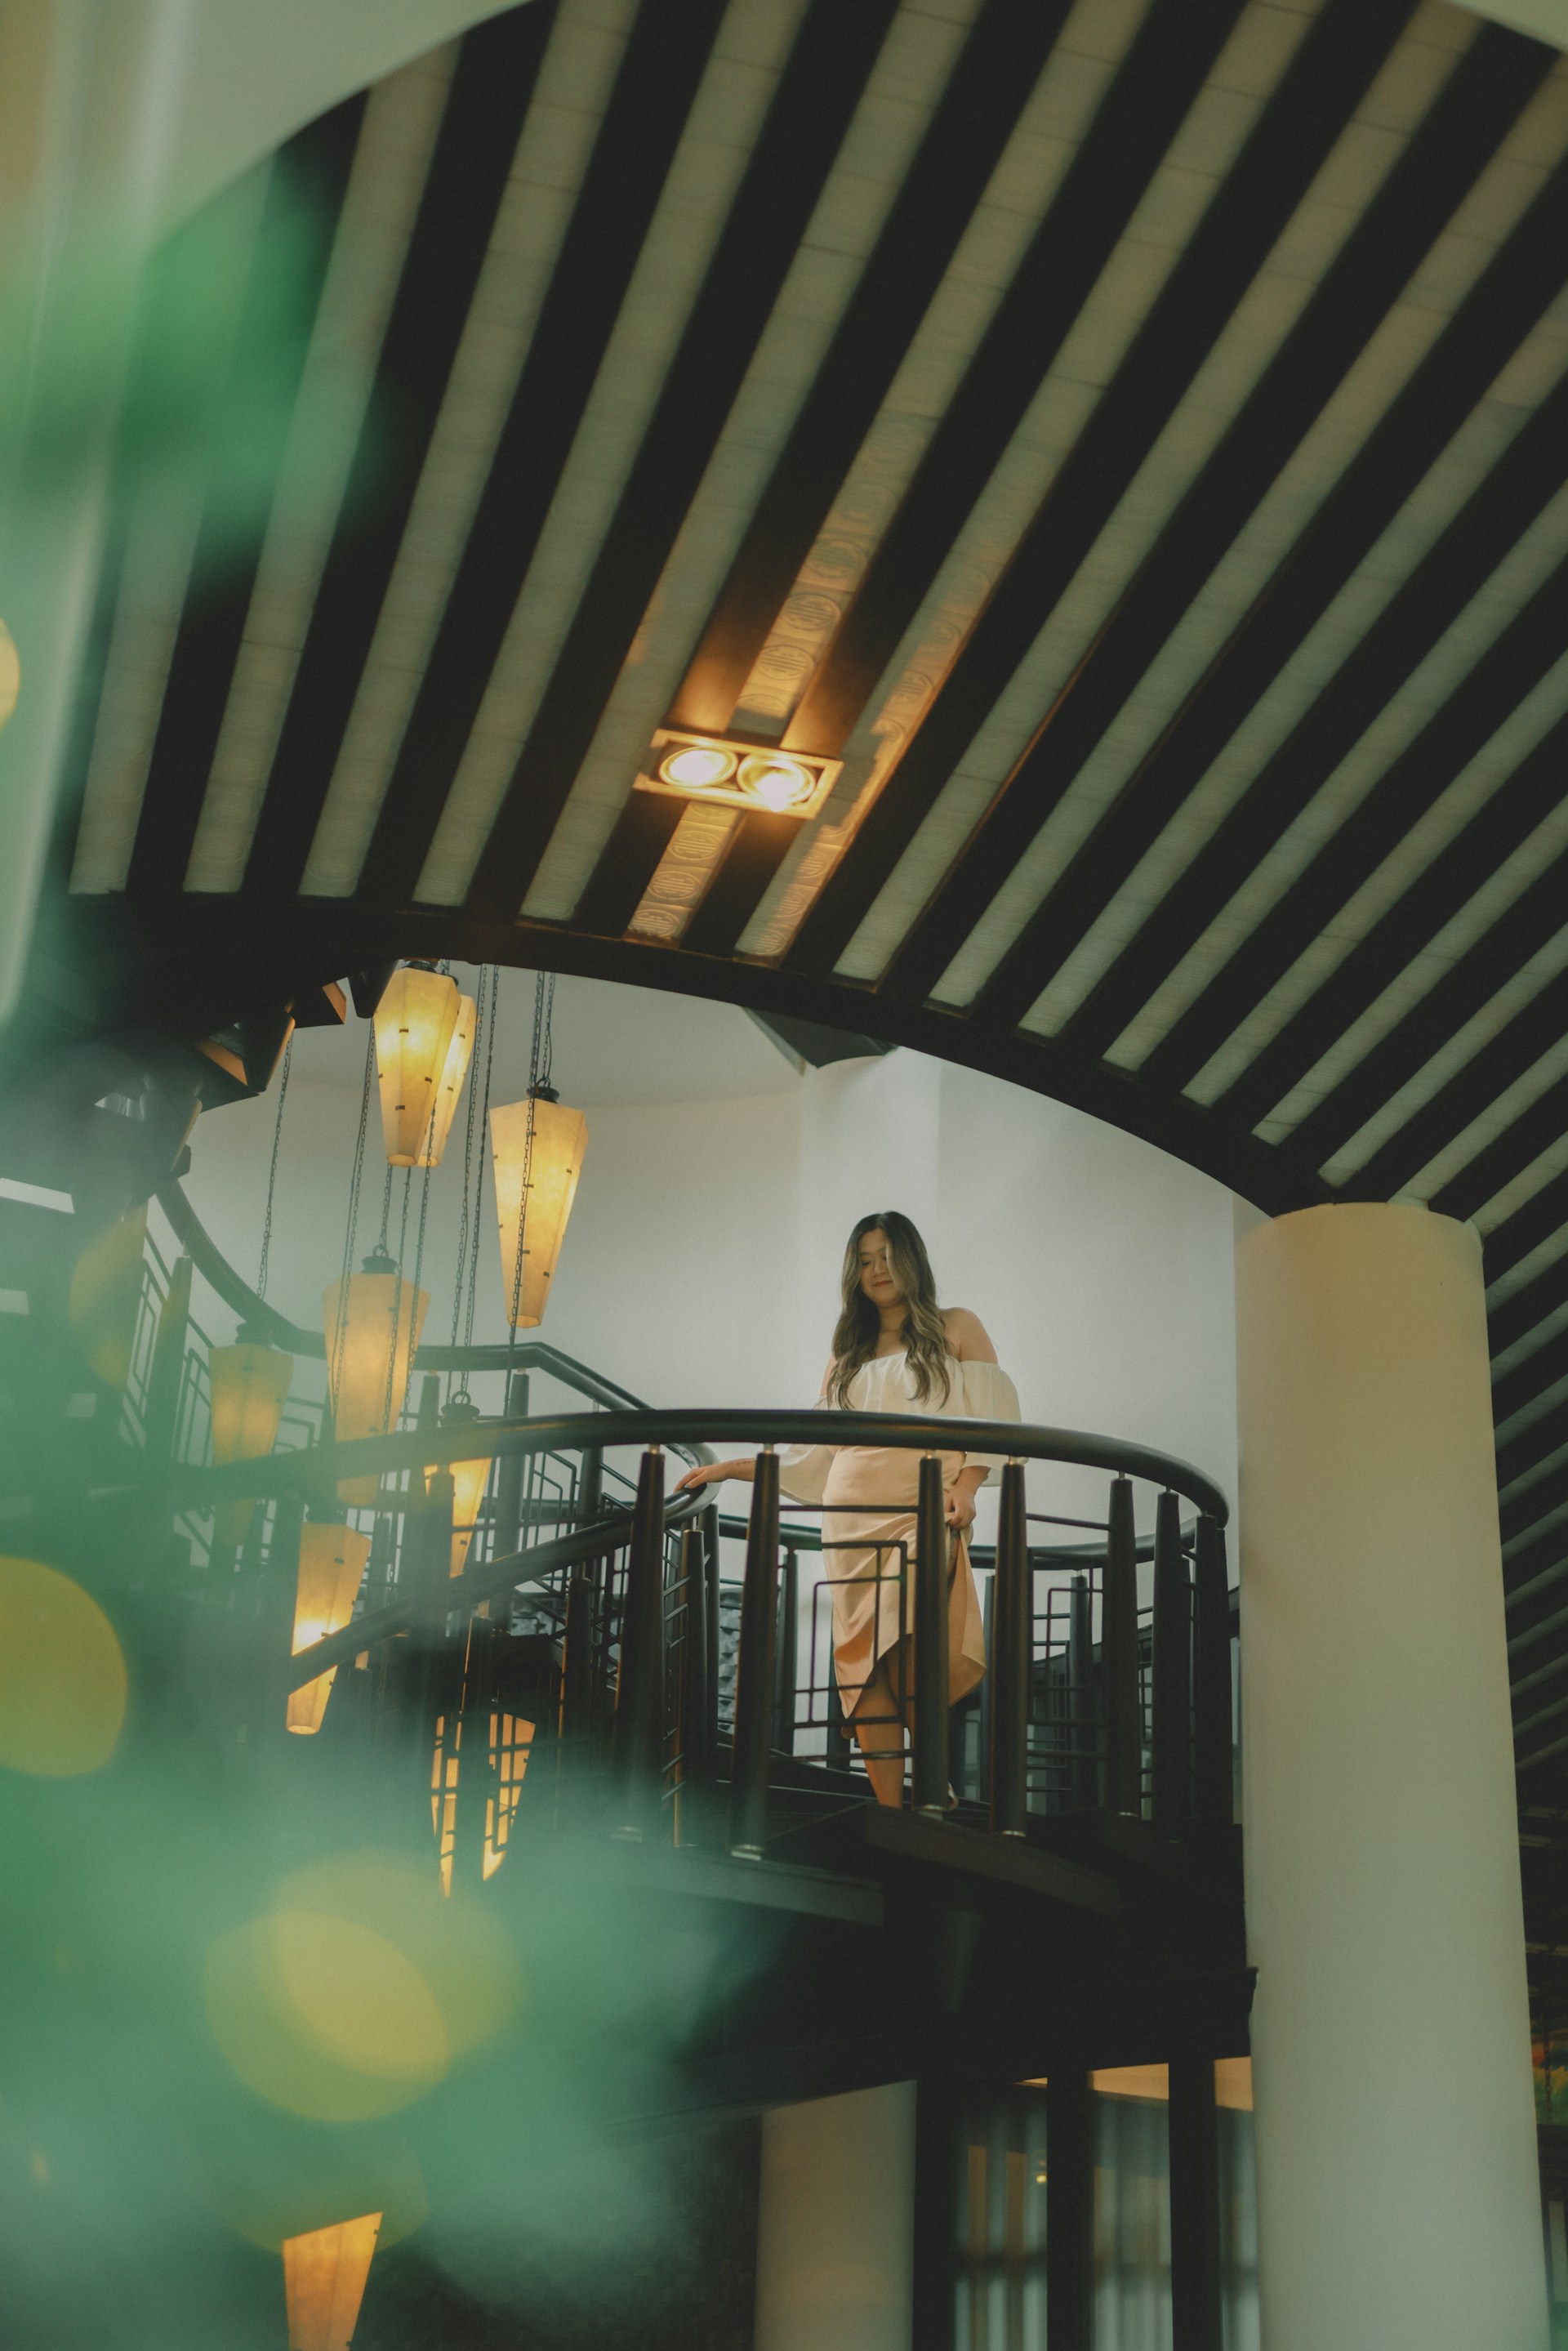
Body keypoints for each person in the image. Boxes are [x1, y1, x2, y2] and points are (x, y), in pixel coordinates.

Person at [675, 1211, 1021, 1808]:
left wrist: (967, 1488)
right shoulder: (847, 1355)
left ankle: (932, 1783)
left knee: (911, 1638)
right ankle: (893, 1811)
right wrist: (733, 1467)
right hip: (850, 1520)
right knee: (862, 1664)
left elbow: (995, 1422)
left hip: (923, 1508)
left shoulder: (957, 1326)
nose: (877, 1270)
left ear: (911, 1259)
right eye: (864, 1261)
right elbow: (813, 1457)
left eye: (887, 1256)